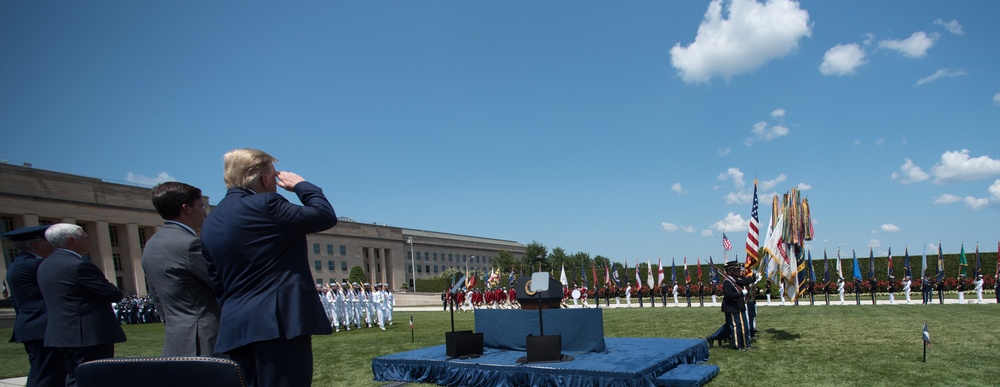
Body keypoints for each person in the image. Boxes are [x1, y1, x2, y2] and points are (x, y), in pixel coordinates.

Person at [200, 148, 338, 387]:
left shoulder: (210, 221)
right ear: (265, 179)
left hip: (236, 325)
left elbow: (218, 282)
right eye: (273, 176)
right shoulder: (267, 204)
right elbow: (324, 216)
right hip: (278, 323)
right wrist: (302, 186)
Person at [37, 223, 126, 386]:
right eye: (85, 237)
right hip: (88, 334)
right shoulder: (79, 266)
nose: (89, 240)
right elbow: (113, 294)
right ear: (72, 240)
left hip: (62, 333)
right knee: (95, 377)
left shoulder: (45, 265)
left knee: (74, 376)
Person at [141, 182, 220, 357]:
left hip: (176, 336)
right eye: (201, 205)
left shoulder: (151, 244)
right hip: (204, 338)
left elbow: (156, 295)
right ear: (186, 209)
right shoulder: (189, 244)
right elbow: (221, 282)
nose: (204, 211)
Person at [4, 225, 67, 387]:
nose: (53, 244)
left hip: (34, 326)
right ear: (36, 244)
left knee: (40, 373)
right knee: (49, 375)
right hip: (42, 326)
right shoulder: (36, 265)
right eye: (48, 241)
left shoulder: (20, 264)